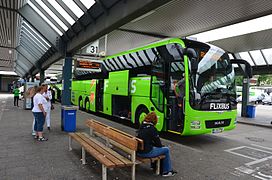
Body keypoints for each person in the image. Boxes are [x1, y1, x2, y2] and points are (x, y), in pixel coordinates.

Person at [137, 112, 177, 177]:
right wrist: (162, 146)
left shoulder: (142, 126)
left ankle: (153, 167)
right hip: (146, 153)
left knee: (155, 147)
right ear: (154, 120)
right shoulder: (152, 129)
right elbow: (158, 144)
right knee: (166, 149)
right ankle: (167, 171)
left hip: (139, 152)